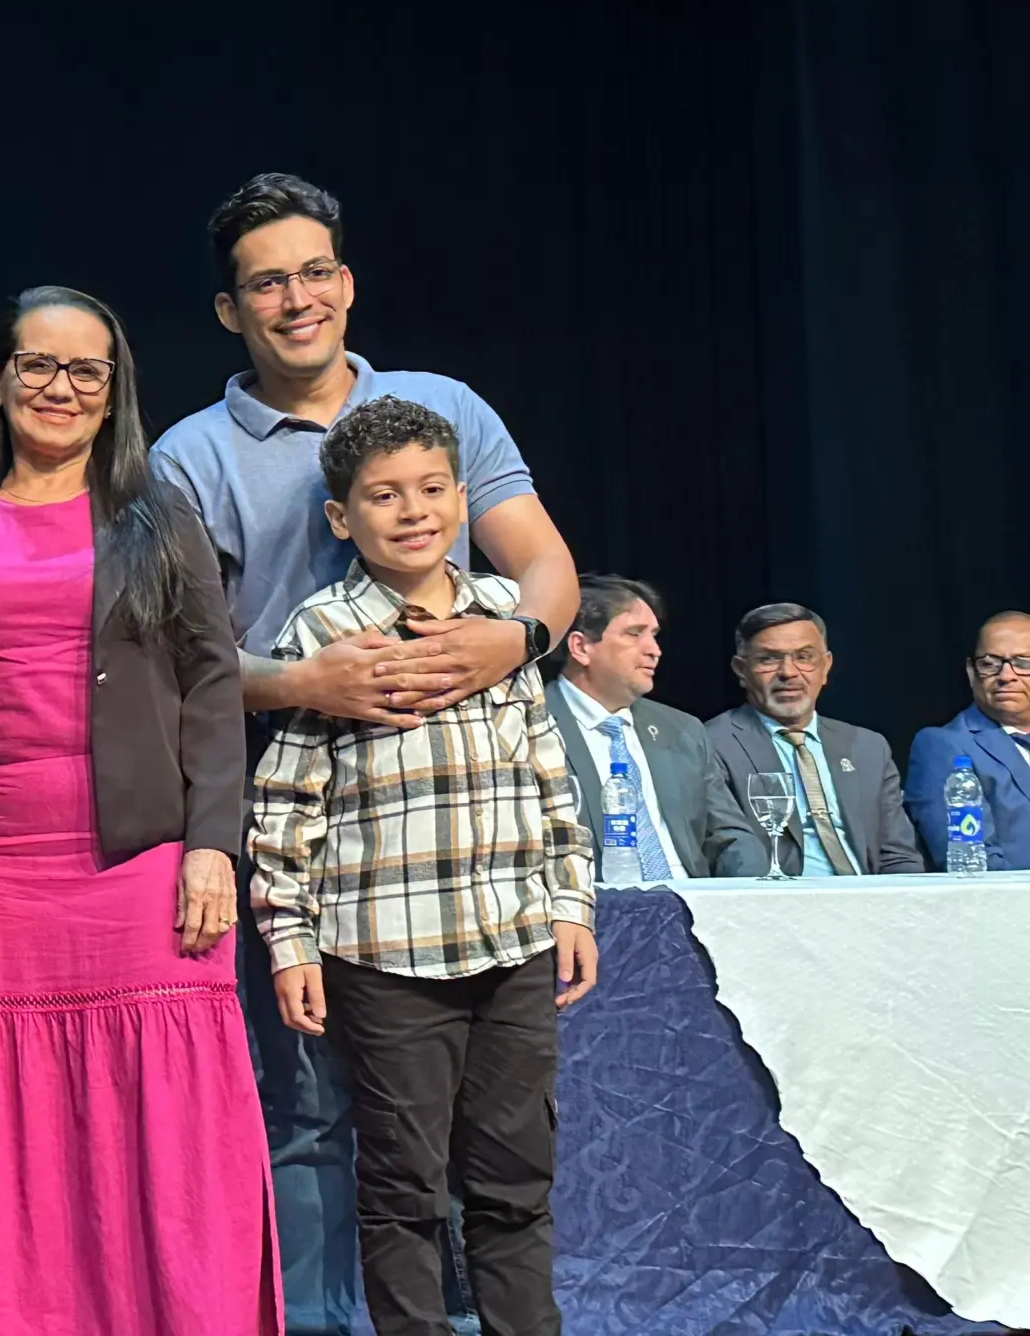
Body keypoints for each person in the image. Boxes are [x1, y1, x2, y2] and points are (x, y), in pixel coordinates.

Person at [152, 173, 577, 1336]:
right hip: (311, 827)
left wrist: (513, 641)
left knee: (488, 1139)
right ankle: (324, 1321)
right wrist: (303, 684)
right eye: (266, 283)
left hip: (471, 828)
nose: (297, 299)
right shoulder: (190, 457)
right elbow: (171, 661)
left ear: (346, 282)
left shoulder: (440, 407)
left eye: (313, 273)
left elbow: (546, 569)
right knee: (308, 1113)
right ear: (230, 309)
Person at [0, 288, 280, 1333]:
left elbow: (212, 682)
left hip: (144, 877)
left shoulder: (158, 513)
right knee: (6, 1155)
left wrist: (212, 846)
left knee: (165, 1152)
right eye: (38, 365)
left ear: (113, 389)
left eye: (88, 370)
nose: (62, 388)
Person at [249, 396, 596, 1336]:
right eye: (385, 495)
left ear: (462, 498)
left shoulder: (505, 617)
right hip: (385, 955)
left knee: (515, 1177)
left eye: (433, 489)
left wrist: (570, 902)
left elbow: (549, 774)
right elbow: (285, 804)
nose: (414, 511)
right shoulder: (325, 633)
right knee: (405, 1184)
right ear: (341, 518)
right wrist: (290, 941)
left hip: (513, 941)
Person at [545, 577, 764, 881]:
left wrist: (755, 894)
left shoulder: (682, 729)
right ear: (581, 647)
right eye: (634, 634)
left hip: (692, 900)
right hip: (594, 902)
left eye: (654, 635)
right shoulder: (531, 725)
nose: (654, 650)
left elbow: (729, 836)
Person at [707, 603, 925, 876]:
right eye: (769, 659)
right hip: (779, 895)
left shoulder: (869, 747)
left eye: (804, 656)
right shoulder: (712, 744)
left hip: (868, 894)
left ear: (826, 666)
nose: (788, 672)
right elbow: (731, 853)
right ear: (741, 670)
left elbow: (899, 856)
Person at [905, 611, 1030, 871]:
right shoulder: (942, 746)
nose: (1006, 676)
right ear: (971, 671)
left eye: (1023, 663)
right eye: (989, 663)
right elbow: (974, 865)